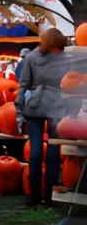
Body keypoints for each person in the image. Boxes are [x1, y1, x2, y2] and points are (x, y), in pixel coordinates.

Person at [16, 28, 73, 206]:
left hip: (54, 106)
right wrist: (19, 111)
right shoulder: (33, 58)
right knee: (36, 153)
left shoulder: (64, 59)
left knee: (53, 153)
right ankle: (35, 196)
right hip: (38, 106)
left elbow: (71, 82)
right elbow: (24, 85)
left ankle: (49, 196)